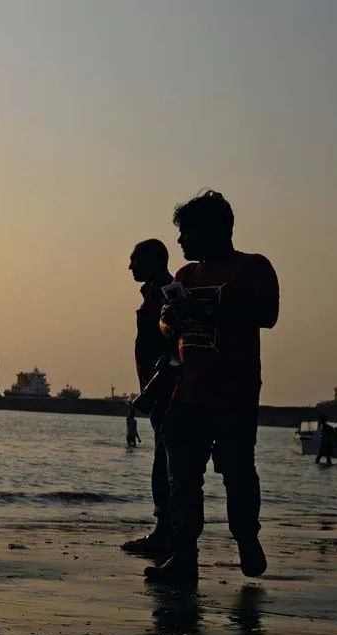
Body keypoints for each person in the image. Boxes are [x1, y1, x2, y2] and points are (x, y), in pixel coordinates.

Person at [145, 190, 279, 586]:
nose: (181, 242)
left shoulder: (253, 268)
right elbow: (167, 328)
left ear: (212, 229)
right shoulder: (185, 276)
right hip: (187, 393)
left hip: (234, 394)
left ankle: (247, 539)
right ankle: (184, 556)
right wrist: (170, 319)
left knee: (237, 473)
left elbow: (268, 315)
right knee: (182, 478)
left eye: (186, 232)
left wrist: (207, 310)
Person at [121, 238, 176, 558]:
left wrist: (151, 390)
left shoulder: (166, 294)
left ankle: (165, 532)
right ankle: (167, 531)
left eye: (135, 260)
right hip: (158, 390)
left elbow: (172, 349)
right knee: (163, 460)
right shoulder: (153, 293)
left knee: (165, 462)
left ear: (155, 260)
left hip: (166, 391)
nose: (130, 267)